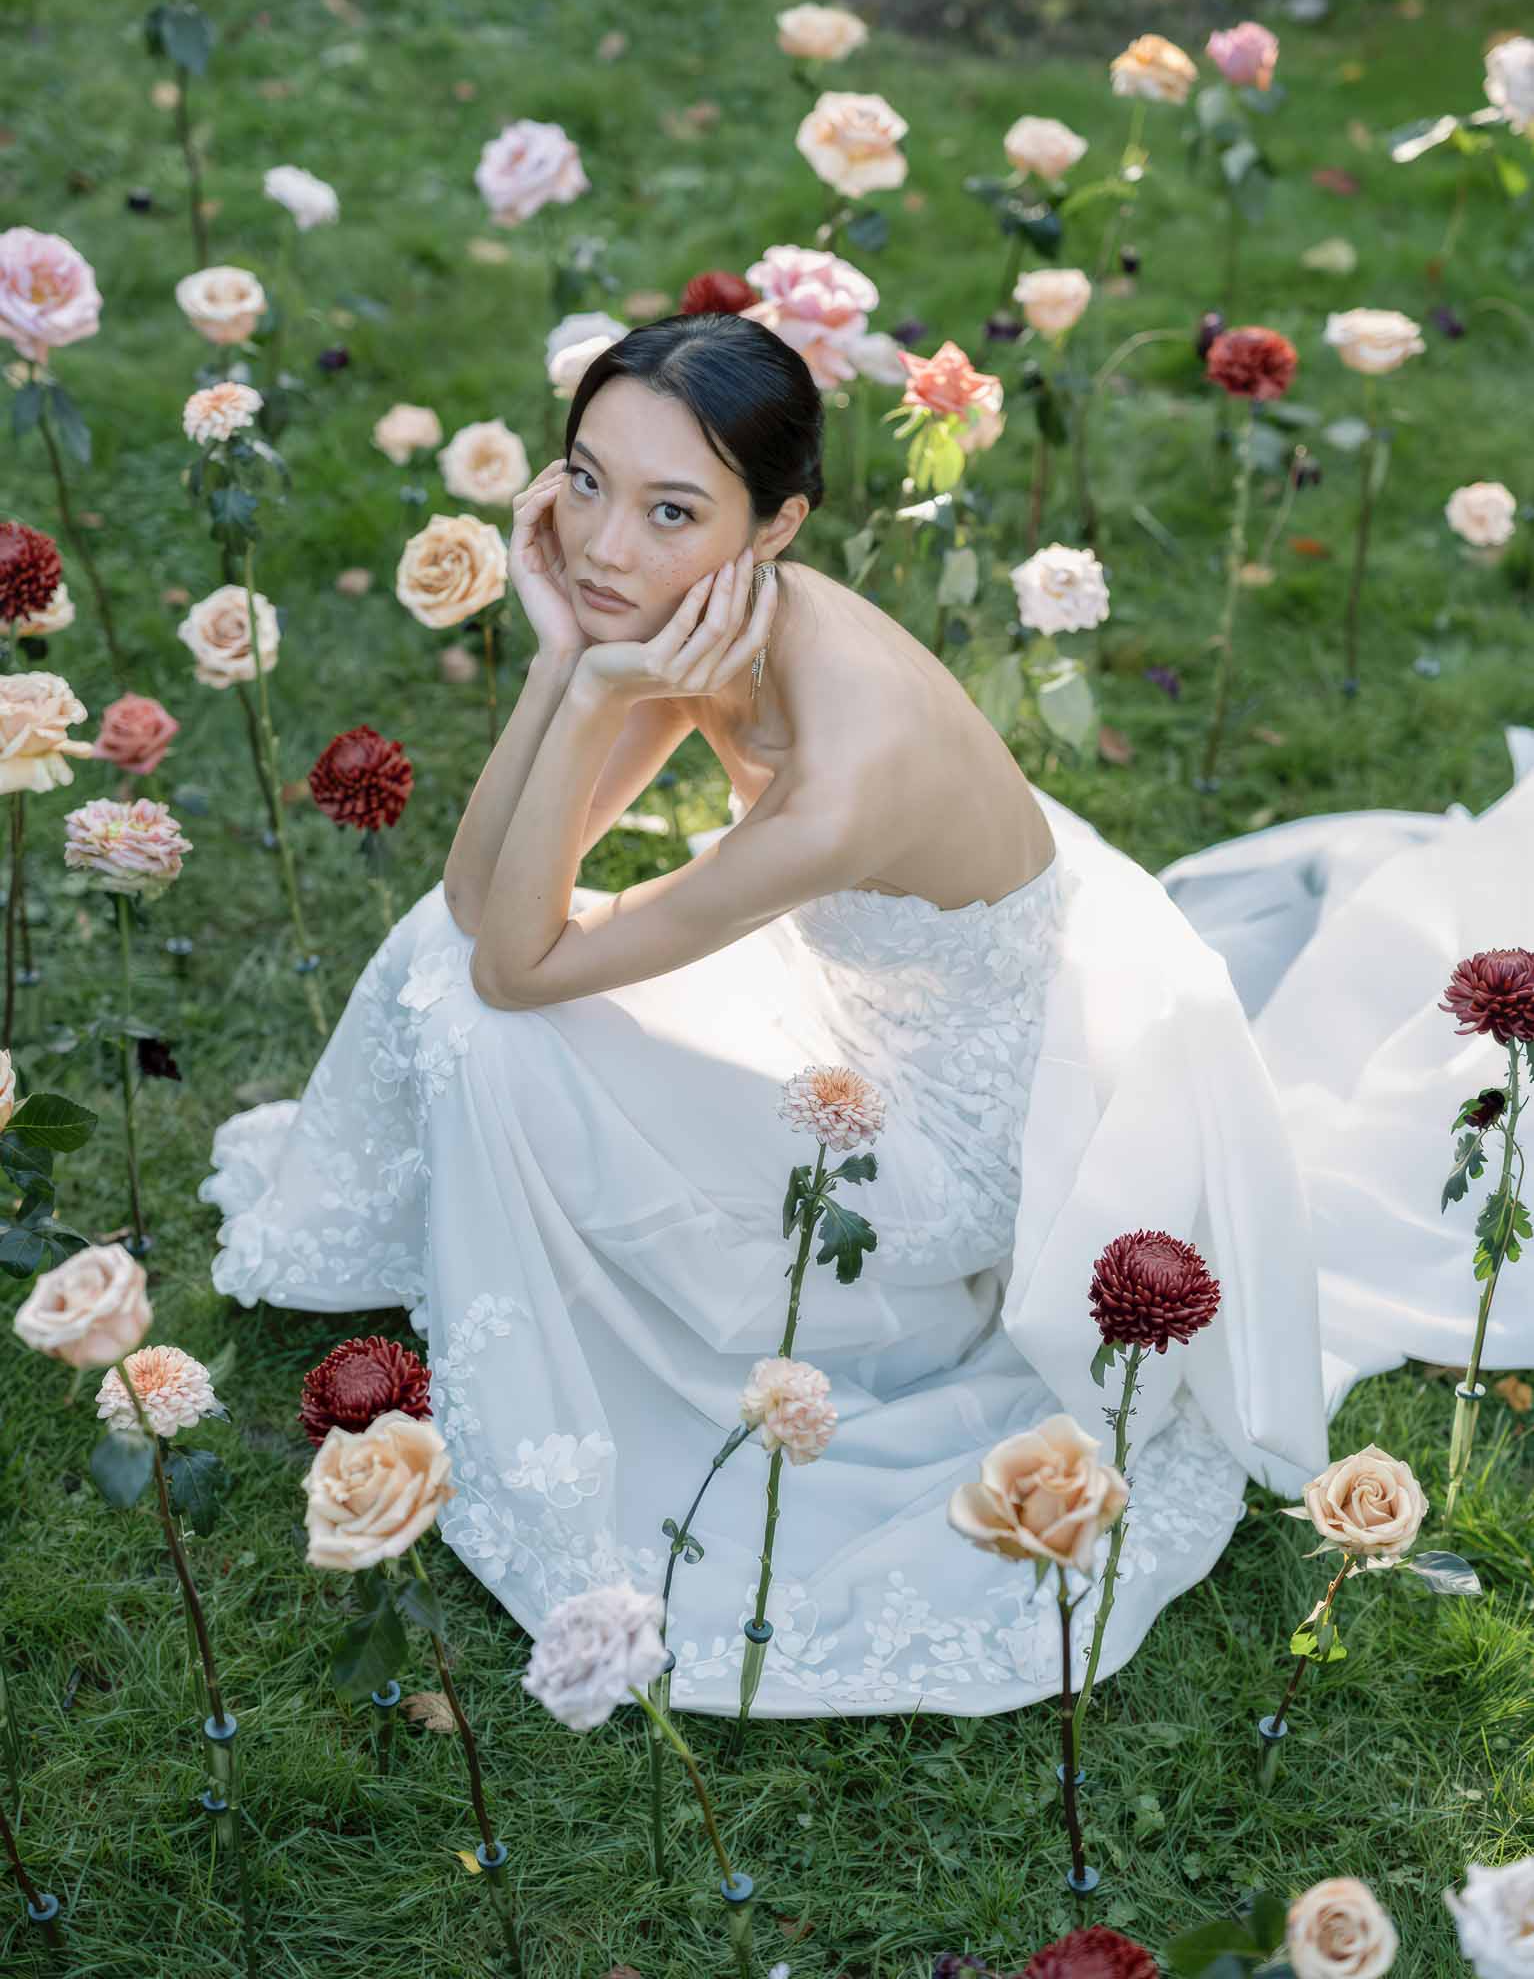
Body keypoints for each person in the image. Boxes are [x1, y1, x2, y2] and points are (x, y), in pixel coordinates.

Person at [197, 313, 1532, 1717]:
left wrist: (595, 687)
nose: (601, 548)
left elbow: (514, 972)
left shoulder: (843, 769)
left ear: (775, 527)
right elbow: (478, 909)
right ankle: (482, 1260)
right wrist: (562, 668)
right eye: (583, 481)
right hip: (841, 1016)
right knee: (443, 961)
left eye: (669, 510)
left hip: (949, 1157)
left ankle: (581, 1340)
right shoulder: (693, 616)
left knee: (494, 1026)